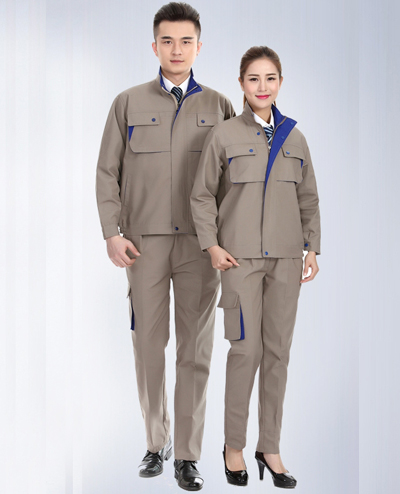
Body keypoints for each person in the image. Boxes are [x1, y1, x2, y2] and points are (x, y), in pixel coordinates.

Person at [95, 2, 235, 491]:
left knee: (195, 351)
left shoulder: (219, 106)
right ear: (154, 46)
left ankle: (188, 457)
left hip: (201, 247)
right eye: (168, 41)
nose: (177, 50)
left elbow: (233, 182)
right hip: (143, 246)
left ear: (199, 46)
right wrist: (111, 231)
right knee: (149, 348)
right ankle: (157, 443)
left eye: (186, 41)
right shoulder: (127, 103)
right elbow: (107, 171)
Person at [190, 45, 321, 488]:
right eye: (253, 79)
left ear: (280, 83)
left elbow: (308, 198)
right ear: (241, 84)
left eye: (270, 78)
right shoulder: (225, 135)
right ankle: (234, 447)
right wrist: (211, 245)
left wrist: (312, 248)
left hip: (286, 259)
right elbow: (202, 195)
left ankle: (270, 447)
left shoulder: (295, 138)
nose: (262, 87)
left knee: (278, 353)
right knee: (245, 351)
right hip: (240, 260)